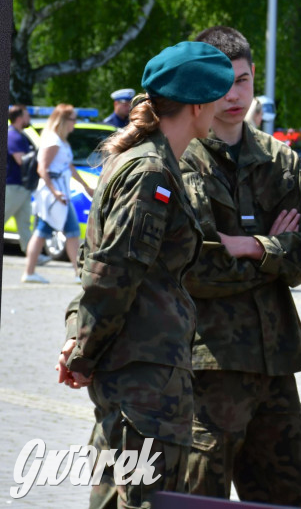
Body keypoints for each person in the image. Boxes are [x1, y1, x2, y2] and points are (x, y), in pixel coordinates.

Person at [57, 41, 235, 509]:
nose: (221, 108)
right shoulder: (151, 170)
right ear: (197, 105)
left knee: (115, 497)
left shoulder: (146, 159)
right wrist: (81, 351)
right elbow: (112, 273)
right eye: (217, 98)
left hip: (138, 375)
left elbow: (101, 267)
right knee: (142, 499)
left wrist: (80, 341)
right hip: (144, 382)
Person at [179, 25, 301, 507]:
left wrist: (253, 247)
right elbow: (192, 266)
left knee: (291, 495)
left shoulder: (279, 159)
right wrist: (277, 249)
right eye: (221, 83)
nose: (234, 94)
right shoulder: (180, 158)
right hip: (208, 367)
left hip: (276, 364)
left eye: (243, 81)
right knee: (199, 496)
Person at [22, 104, 95, 284]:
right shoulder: (53, 141)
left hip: (60, 193)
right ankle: (31, 272)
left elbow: (69, 167)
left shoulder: (61, 141)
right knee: (49, 232)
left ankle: (77, 273)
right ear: (63, 120)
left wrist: (85, 185)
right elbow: (42, 169)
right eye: (73, 119)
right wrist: (55, 192)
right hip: (54, 195)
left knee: (68, 232)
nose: (75, 124)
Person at [6, 104, 35, 254]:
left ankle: (31, 254)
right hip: (13, 186)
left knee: (24, 223)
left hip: (22, 186)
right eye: (26, 115)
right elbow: (20, 160)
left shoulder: (21, 135)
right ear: (19, 118)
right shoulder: (13, 135)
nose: (28, 118)